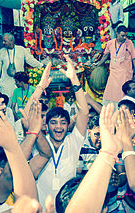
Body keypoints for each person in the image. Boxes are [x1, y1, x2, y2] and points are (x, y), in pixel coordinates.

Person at [35, 55, 89, 208]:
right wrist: (40, 87)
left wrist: (75, 81)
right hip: (41, 206)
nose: (58, 127)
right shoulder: (39, 141)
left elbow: (84, 113)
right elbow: (29, 114)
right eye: (53, 122)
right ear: (46, 125)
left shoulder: (74, 140)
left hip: (67, 207)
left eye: (63, 123)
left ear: (68, 125)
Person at [96, 26, 135, 110]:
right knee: (110, 94)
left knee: (123, 95)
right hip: (113, 74)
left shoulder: (129, 43)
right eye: (122, 35)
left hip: (125, 74)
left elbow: (134, 58)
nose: (124, 37)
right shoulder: (110, 43)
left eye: (125, 35)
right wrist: (97, 65)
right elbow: (105, 56)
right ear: (117, 34)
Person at [0, 33, 45, 98]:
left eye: (5, 41)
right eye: (3, 41)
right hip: (6, 83)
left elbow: (30, 60)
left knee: (19, 101)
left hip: (19, 82)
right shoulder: (2, 51)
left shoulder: (21, 49)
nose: (3, 43)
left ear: (11, 41)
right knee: (7, 101)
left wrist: (41, 65)